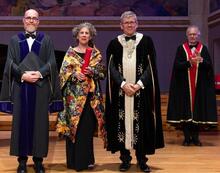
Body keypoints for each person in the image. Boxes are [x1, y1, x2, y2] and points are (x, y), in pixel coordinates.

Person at [0, 9, 63, 173]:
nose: (31, 21)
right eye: (28, 18)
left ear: (38, 22)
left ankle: (38, 161)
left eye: (34, 18)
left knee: (40, 125)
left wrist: (40, 73)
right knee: (20, 123)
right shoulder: (15, 40)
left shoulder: (46, 40)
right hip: (21, 87)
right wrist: (23, 75)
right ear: (23, 20)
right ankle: (21, 162)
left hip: (40, 88)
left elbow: (52, 62)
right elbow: (10, 62)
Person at [105, 11, 164, 172]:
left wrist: (138, 85)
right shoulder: (113, 43)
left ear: (137, 24)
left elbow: (151, 67)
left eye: (132, 22)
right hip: (121, 93)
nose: (130, 25)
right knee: (121, 125)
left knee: (142, 125)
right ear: (121, 25)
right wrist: (123, 84)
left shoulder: (146, 41)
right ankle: (125, 159)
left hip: (141, 92)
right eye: (126, 22)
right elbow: (110, 68)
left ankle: (142, 160)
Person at [56, 22, 106, 172]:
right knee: (74, 130)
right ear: (77, 35)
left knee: (87, 129)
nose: (84, 35)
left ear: (91, 36)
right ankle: (73, 162)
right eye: (82, 33)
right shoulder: (70, 53)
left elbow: (102, 74)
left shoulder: (96, 54)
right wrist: (72, 75)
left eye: (87, 33)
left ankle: (87, 161)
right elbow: (62, 74)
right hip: (73, 101)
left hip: (91, 99)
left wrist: (93, 72)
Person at [167, 25, 218, 146]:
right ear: (187, 35)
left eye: (195, 34)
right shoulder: (181, 48)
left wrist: (201, 60)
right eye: (190, 34)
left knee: (197, 113)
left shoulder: (203, 49)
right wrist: (189, 62)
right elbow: (177, 66)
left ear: (198, 35)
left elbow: (209, 66)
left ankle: (196, 138)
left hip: (199, 87)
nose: (193, 36)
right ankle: (186, 138)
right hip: (184, 87)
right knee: (185, 113)